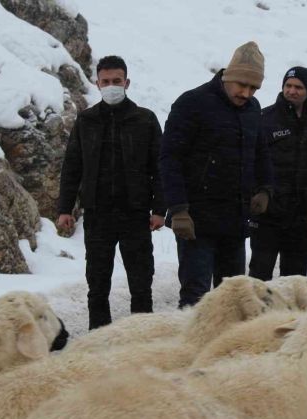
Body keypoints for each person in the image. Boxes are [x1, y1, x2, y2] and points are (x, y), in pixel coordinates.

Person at [160, 41, 273, 307]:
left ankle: (227, 349)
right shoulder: (192, 103)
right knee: (195, 299)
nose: (246, 93)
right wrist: (178, 210)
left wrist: (265, 189)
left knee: (234, 300)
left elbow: (261, 153)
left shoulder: (253, 110)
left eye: (253, 88)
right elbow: (169, 158)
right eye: (242, 85)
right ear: (228, 77)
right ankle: (189, 349)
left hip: (234, 222)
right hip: (196, 222)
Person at [56, 55, 166, 329]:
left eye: (117, 81)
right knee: (97, 284)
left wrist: (159, 210)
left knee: (141, 283)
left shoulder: (145, 120)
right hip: (98, 215)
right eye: (106, 81)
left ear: (127, 82)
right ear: (97, 84)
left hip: (136, 214)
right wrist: (64, 209)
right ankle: (99, 341)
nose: (111, 86)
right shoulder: (86, 121)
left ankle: (142, 339)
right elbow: (72, 166)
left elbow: (160, 167)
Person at [249, 66, 307, 280]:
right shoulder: (265, 119)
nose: (292, 91)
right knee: (259, 278)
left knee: (295, 281)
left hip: (301, 216)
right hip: (268, 214)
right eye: (288, 86)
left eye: (298, 87)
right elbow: (253, 163)